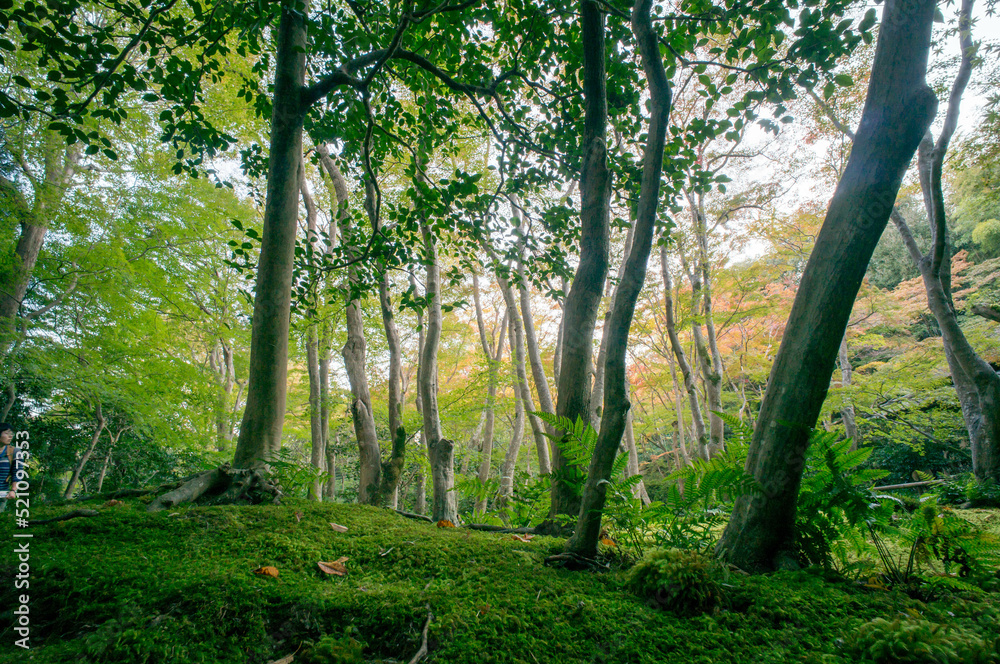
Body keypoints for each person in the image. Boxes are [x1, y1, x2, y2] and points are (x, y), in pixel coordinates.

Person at [0, 423, 24, 512]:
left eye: (11, 434)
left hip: (2, 495)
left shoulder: (14, 452)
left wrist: (13, 490)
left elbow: (17, 473)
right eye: (6, 433)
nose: (10, 436)